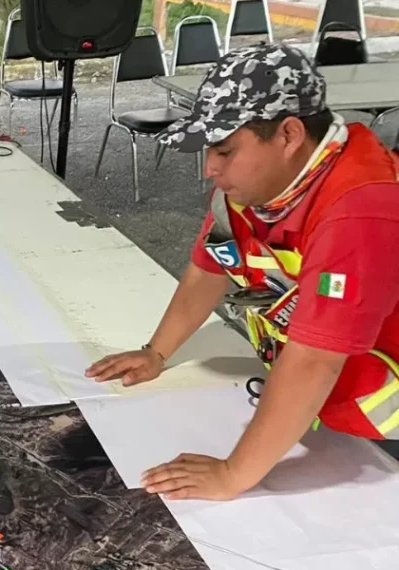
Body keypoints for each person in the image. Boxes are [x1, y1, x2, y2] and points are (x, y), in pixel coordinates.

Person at [85, 44, 399, 502]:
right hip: (325, 413)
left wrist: (233, 475)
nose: (210, 168)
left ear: (289, 135)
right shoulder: (262, 186)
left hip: (382, 432)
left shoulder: (361, 209)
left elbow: (315, 361)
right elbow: (211, 266)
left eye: (224, 149)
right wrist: (156, 351)